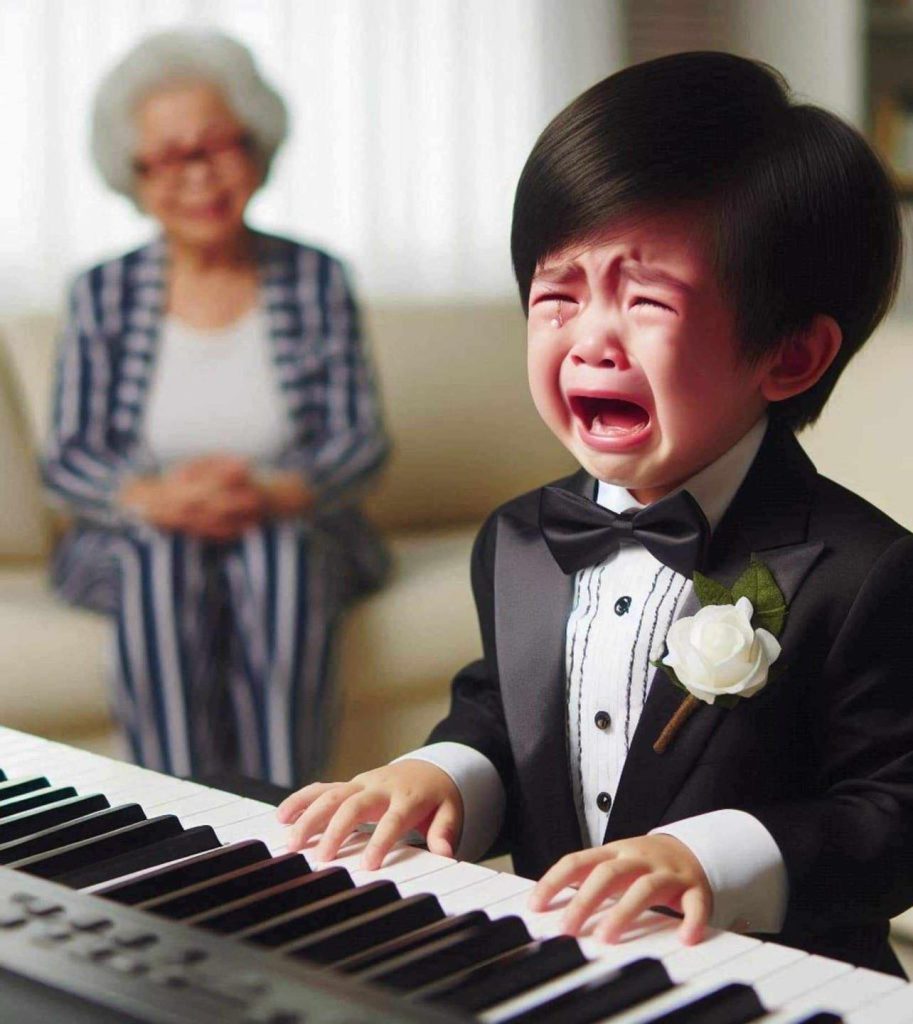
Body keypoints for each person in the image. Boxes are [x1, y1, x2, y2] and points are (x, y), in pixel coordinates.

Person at [277, 51, 913, 976]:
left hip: (771, 984)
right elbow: (508, 712)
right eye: (557, 295)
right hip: (561, 971)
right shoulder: (521, 537)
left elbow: (892, 813)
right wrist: (440, 774)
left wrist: (711, 860)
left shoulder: (863, 570)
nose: (589, 338)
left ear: (788, 356)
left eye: (645, 298)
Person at [44, 29, 389, 788]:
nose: (195, 176)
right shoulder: (103, 292)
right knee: (161, 555)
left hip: (287, 519)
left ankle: (281, 817)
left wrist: (273, 492)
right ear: (131, 176)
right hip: (139, 534)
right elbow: (68, 456)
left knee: (280, 550)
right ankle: (178, 820)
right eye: (165, 158)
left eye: (214, 147)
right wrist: (154, 499)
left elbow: (358, 440)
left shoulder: (315, 278)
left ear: (256, 148)